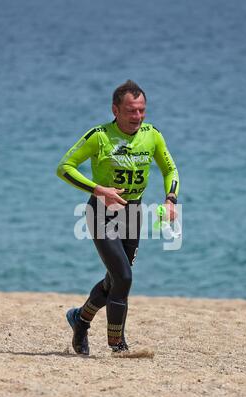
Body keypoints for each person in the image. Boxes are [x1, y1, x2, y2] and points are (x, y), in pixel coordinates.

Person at [56, 80, 179, 355]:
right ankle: (117, 344)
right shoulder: (99, 136)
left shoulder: (153, 135)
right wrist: (99, 189)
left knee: (114, 280)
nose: (137, 117)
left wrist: (170, 199)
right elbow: (64, 168)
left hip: (133, 213)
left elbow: (171, 170)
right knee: (123, 277)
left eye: (141, 110)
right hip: (101, 212)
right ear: (115, 110)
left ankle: (80, 319)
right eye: (131, 111)